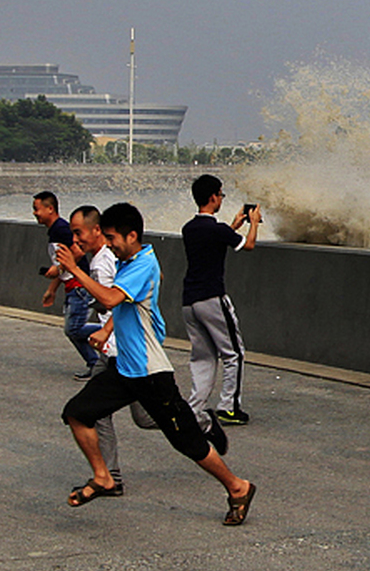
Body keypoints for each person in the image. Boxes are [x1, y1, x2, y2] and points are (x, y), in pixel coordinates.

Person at [56, 202, 256, 524]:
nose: (108, 243)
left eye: (111, 237)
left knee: (187, 442)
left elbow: (110, 298)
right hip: (124, 370)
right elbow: (123, 306)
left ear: (131, 235)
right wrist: (107, 330)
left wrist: (75, 269)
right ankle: (104, 477)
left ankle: (237, 486)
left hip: (151, 374)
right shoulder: (131, 260)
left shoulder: (141, 264)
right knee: (76, 414)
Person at [181, 174, 258, 427]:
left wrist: (233, 226)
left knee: (202, 357)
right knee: (233, 353)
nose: (222, 199)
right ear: (213, 197)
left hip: (189, 301)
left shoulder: (189, 229)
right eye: (221, 195)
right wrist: (253, 223)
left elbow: (214, 240)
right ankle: (229, 407)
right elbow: (248, 246)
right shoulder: (217, 230)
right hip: (212, 298)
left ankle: (195, 408)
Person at [69, 206, 124, 492]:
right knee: (97, 412)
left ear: (97, 230)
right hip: (112, 351)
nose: (76, 240)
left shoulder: (104, 262)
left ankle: (201, 423)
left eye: (79, 233)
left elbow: (120, 300)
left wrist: (104, 330)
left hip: (122, 351)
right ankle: (110, 477)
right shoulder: (101, 259)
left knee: (151, 417)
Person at [34, 191, 91, 377]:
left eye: (37, 209)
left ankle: (109, 335)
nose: (34, 213)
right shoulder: (55, 230)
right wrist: (52, 289)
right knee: (72, 329)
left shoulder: (61, 229)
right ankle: (95, 364)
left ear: (50, 209)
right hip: (72, 286)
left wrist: (57, 269)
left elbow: (78, 252)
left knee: (73, 328)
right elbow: (63, 262)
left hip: (79, 285)